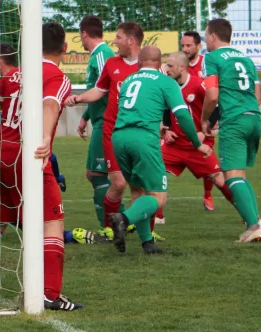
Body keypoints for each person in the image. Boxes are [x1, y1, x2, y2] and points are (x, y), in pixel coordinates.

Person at [0, 23, 82, 311]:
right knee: (52, 222)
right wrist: (44, 136)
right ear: (64, 49)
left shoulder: (13, 74)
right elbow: (50, 105)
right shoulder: (57, 76)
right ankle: (50, 295)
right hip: (28, 156)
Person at [66, 22, 165, 241]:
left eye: (118, 37)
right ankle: (110, 228)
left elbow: (161, 97)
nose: (114, 41)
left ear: (131, 40)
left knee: (142, 187)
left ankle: (145, 235)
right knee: (119, 184)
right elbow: (99, 91)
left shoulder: (151, 68)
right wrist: (79, 99)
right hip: (115, 132)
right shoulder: (111, 64)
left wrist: (162, 125)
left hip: (142, 133)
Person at [108, 46, 212, 254]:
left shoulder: (129, 80)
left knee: (138, 190)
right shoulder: (165, 81)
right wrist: (197, 143)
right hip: (143, 139)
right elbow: (182, 115)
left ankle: (147, 242)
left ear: (139, 63)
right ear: (160, 64)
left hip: (119, 137)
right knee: (158, 197)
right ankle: (123, 219)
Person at [201, 18, 261, 243]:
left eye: (206, 35)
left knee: (231, 177)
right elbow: (257, 97)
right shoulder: (246, 59)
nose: (205, 40)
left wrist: (205, 119)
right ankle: (255, 219)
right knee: (240, 175)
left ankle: (253, 226)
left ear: (214, 36)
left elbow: (212, 95)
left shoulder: (212, 57)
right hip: (254, 118)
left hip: (235, 121)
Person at [160, 52, 234, 210]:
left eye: (170, 66)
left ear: (181, 67)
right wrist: (167, 129)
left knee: (218, 179)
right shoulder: (167, 84)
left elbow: (219, 106)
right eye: (166, 65)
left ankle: (248, 215)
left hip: (198, 144)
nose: (167, 69)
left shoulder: (198, 84)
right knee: (154, 171)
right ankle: (156, 217)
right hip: (175, 143)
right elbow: (167, 108)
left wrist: (205, 130)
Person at [74, 15, 122, 237]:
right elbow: (100, 87)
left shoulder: (103, 55)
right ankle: (120, 220)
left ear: (85, 33)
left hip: (107, 122)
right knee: (94, 174)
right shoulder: (97, 56)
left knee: (97, 174)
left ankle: (110, 227)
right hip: (99, 120)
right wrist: (85, 115)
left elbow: (112, 86)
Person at [179, 31, 216, 212]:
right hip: (181, 122)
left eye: (188, 46)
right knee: (162, 161)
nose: (185, 49)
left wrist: (212, 120)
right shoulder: (178, 65)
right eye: (182, 45)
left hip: (202, 121)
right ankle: (157, 211)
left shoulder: (206, 64)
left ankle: (208, 194)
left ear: (197, 46)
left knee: (207, 161)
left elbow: (215, 94)